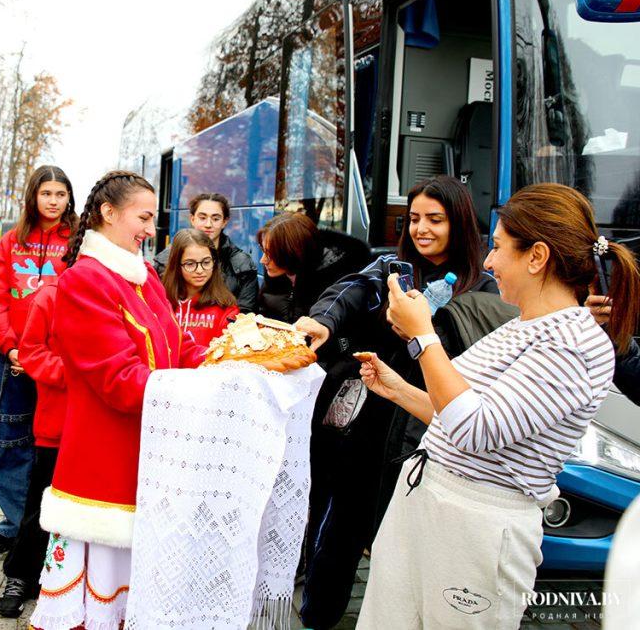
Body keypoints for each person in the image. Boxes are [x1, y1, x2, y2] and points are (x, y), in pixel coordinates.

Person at [354, 183, 640, 629]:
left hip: (477, 527)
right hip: (430, 501)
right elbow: (460, 414)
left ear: (537, 256)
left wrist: (423, 336)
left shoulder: (574, 344)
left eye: (498, 247)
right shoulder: (525, 324)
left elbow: (477, 429)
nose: (488, 261)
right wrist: (397, 390)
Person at [294, 176, 499, 629]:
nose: (422, 229)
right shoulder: (393, 267)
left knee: (405, 544)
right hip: (367, 422)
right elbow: (350, 292)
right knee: (338, 530)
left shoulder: (484, 288)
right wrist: (325, 321)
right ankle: (317, 618)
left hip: (429, 431)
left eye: (435, 219)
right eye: (414, 219)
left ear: (460, 224)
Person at [30, 171, 206, 630]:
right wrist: (197, 391)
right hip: (105, 466)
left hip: (150, 456)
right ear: (108, 214)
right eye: (144, 217)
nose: (152, 229)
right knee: (102, 601)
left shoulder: (143, 274)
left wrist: (229, 358)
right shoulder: (83, 282)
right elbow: (119, 381)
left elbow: (177, 344)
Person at [0, 166, 76, 555]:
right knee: (12, 439)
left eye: (60, 193)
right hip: (16, 361)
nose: (53, 201)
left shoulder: (77, 242)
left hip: (58, 360)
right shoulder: (10, 242)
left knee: (54, 444)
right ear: (33, 197)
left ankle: (52, 525)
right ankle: (12, 524)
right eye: (46, 193)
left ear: (69, 198)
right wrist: (13, 349)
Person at [0, 282, 65, 618]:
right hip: (57, 419)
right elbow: (33, 351)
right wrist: (79, 374)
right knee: (41, 500)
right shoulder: (52, 293)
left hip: (102, 422)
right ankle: (21, 574)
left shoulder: (127, 288)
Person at [152, 192, 258, 312]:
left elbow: (245, 314)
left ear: (225, 222)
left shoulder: (242, 264)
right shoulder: (165, 260)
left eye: (216, 218)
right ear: (192, 219)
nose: (208, 224)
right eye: (202, 218)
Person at [161, 228, 238, 348]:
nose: (200, 270)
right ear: (176, 265)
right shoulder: (161, 302)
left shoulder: (227, 309)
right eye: (190, 264)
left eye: (206, 262)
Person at [256, 212, 323, 323]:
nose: (262, 260)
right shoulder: (272, 277)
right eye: (263, 251)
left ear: (292, 253)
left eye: (271, 254)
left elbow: (342, 338)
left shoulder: (329, 283)